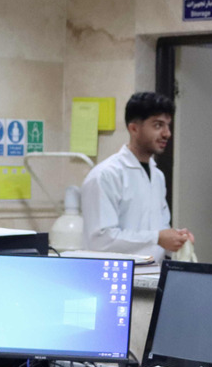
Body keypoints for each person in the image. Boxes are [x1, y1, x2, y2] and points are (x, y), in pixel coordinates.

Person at [80, 91, 193, 260]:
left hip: (152, 273)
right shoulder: (106, 175)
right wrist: (157, 238)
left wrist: (176, 239)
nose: (167, 133)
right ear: (133, 128)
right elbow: (100, 240)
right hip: (112, 274)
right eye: (158, 125)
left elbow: (159, 232)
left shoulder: (157, 176)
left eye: (168, 125)